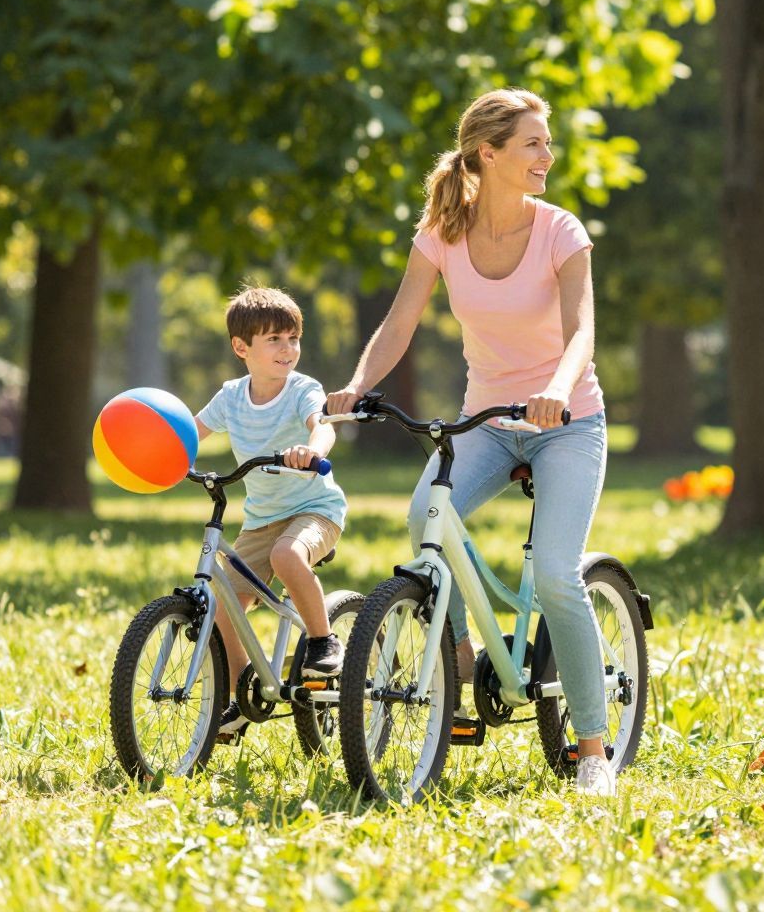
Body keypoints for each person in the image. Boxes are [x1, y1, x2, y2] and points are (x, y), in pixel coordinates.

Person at [326, 88, 618, 796]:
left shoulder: (559, 231)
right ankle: (458, 665)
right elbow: (399, 323)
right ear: (488, 153)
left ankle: (592, 750)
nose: (548, 156)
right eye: (534, 144)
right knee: (423, 515)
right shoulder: (443, 233)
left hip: (565, 421)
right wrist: (355, 386)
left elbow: (582, 330)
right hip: (484, 422)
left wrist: (554, 386)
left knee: (554, 573)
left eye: (547, 143)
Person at [193, 285, 347, 743]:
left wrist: (311, 449)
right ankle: (243, 691)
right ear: (242, 348)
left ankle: (322, 641)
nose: (288, 349)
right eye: (274, 340)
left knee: (286, 556)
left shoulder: (302, 389)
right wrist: (163, 455)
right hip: (261, 518)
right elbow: (191, 433)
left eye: (293, 338)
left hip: (315, 508)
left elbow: (323, 425)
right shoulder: (231, 397)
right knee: (223, 604)